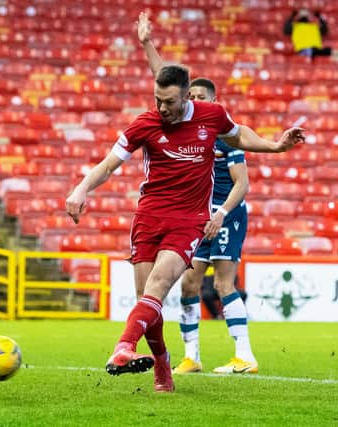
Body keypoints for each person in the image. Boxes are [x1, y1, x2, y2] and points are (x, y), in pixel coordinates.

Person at [65, 18, 305, 394]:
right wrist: (81, 188)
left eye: (170, 102)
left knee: (158, 288)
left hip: (189, 219)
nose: (163, 108)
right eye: (158, 101)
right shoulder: (145, 123)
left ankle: (122, 347)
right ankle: (162, 365)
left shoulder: (212, 116)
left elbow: (239, 134)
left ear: (187, 99)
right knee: (151, 304)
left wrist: (275, 145)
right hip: (148, 216)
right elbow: (109, 164)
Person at [136, 11, 258, 375]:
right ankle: (192, 356)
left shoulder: (222, 130)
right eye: (191, 96)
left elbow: (243, 182)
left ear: (213, 101)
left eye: (199, 96)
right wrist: (146, 43)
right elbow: (165, 82)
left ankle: (245, 355)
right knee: (189, 282)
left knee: (223, 281)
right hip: (197, 216)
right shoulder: (187, 123)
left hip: (225, 213)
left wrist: (220, 213)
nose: (192, 100)